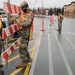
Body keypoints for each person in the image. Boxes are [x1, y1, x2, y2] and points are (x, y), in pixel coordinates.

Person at [10, 1, 34, 68]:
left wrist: (16, 20)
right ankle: (28, 58)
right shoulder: (26, 13)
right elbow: (22, 18)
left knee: (22, 48)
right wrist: (17, 16)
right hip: (24, 33)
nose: (23, 11)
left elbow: (25, 23)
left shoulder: (30, 14)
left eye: (24, 9)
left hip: (25, 34)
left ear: (27, 7)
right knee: (24, 47)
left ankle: (24, 62)